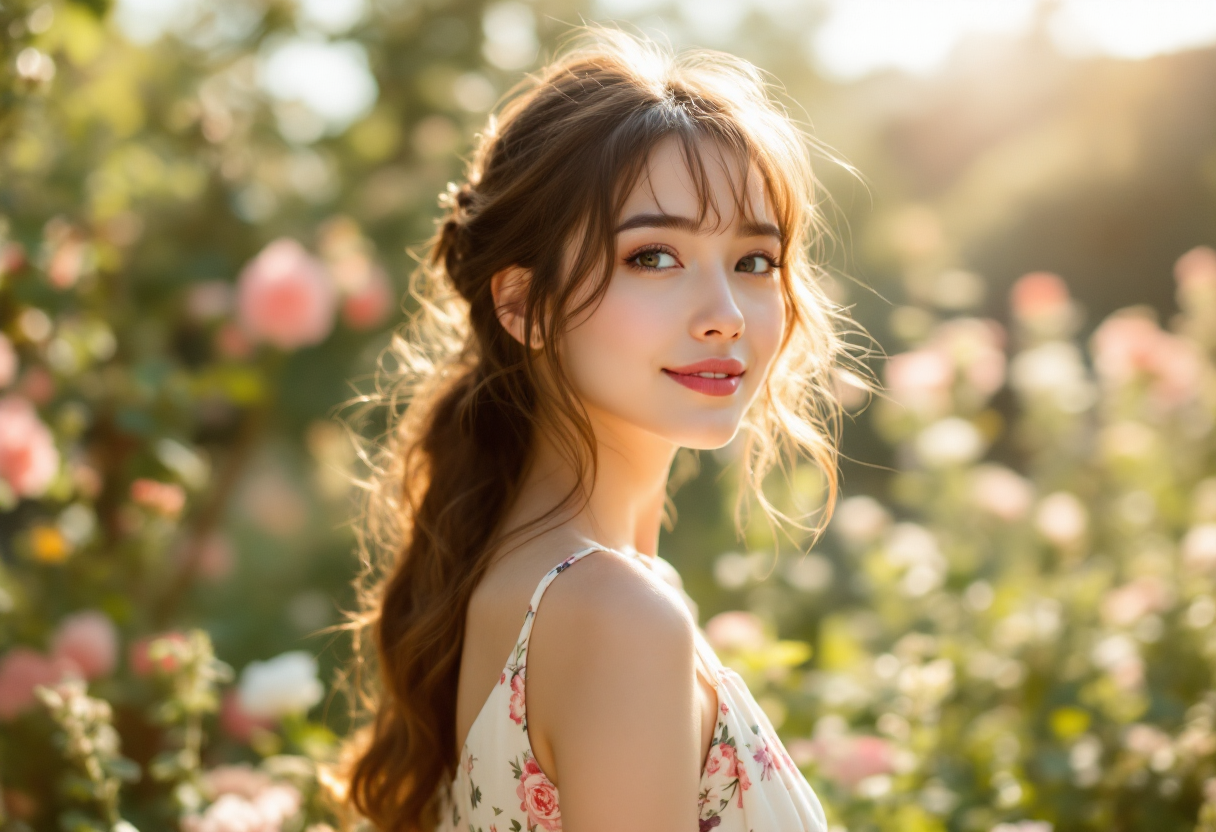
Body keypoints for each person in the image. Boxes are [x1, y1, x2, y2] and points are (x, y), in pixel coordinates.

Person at [334, 25, 854, 832]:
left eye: (754, 261)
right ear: (520, 304)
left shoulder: (530, 582)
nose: (724, 316)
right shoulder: (615, 614)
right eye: (653, 256)